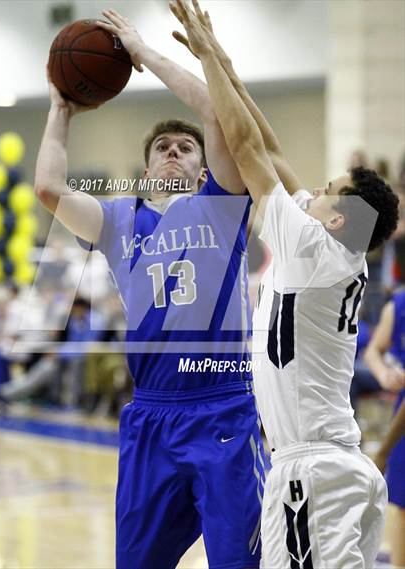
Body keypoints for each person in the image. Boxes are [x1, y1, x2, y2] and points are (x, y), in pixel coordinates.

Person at [170, 1, 400, 566]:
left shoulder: (312, 246)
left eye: (326, 188)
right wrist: (221, 57)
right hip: (332, 463)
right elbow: (269, 148)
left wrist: (205, 59)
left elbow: (249, 151)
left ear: (339, 216)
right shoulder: (338, 249)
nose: (313, 189)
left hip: (313, 472)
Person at [34, 9, 266, 568]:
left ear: (205, 166)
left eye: (185, 148)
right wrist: (60, 109)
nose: (173, 152)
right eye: (162, 146)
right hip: (151, 415)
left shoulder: (221, 206)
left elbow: (215, 110)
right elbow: (46, 186)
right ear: (144, 174)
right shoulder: (120, 220)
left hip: (223, 408)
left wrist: (145, 53)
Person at [364, 289, 405, 567]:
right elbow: (373, 351)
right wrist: (384, 373)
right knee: (401, 508)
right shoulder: (399, 305)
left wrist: (382, 452)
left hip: (399, 426)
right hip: (400, 420)